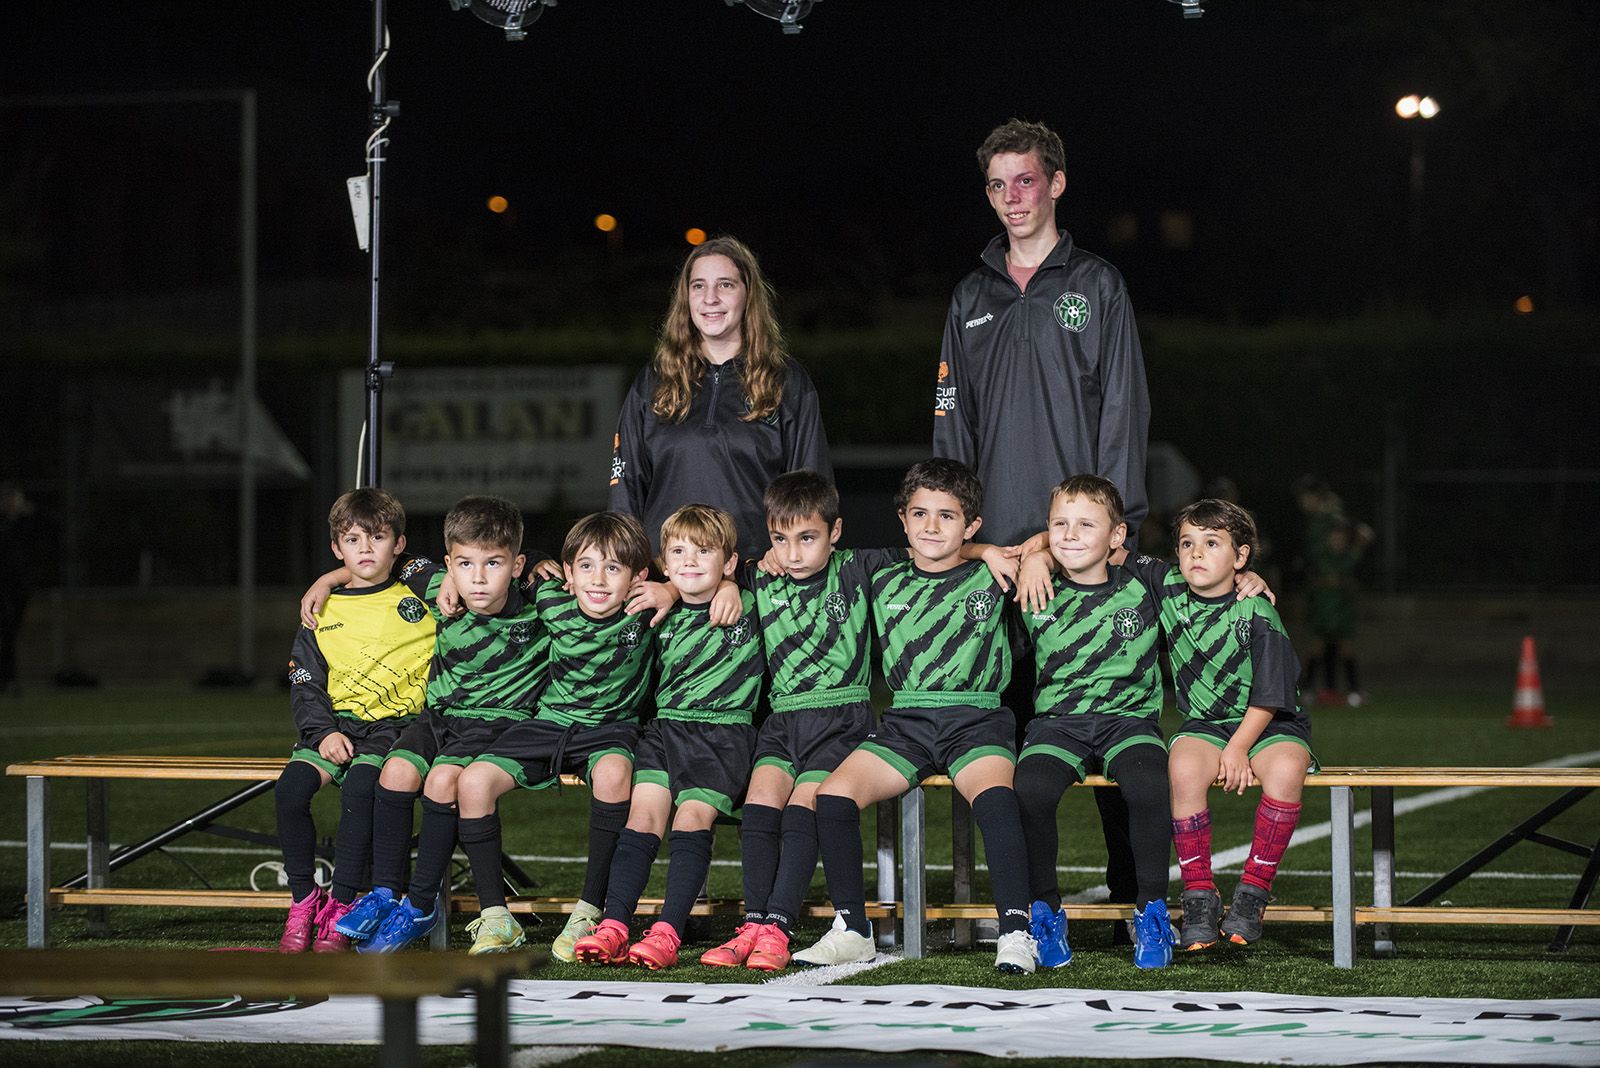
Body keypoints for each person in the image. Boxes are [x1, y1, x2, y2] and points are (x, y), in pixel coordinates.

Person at [932, 117, 1153, 941]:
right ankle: (1026, 912)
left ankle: (1138, 905)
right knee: (1013, 744)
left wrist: (1104, 530)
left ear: (1057, 183)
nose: (1011, 198)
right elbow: (951, 431)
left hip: (1082, 554)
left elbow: (1124, 411)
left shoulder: (1095, 284)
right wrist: (964, 542)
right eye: (997, 184)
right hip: (993, 565)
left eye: (1025, 180)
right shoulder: (971, 295)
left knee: (1119, 736)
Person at [796, 459, 1036, 975]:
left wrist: (998, 552)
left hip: (977, 718)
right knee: (833, 797)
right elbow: (797, 553)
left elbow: (1049, 544)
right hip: (906, 721)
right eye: (920, 514)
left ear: (971, 525)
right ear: (902, 520)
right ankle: (854, 930)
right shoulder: (877, 572)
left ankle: (1016, 930)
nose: (931, 526)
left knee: (995, 801)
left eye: (948, 517)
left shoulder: (993, 573)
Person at [697, 471, 897, 972]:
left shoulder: (860, 567)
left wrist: (989, 552)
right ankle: (754, 923)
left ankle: (779, 927)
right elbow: (698, 575)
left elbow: (935, 551)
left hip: (841, 717)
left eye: (807, 538)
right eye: (780, 539)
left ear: (835, 531)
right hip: (783, 720)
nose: (792, 553)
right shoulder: (758, 575)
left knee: (804, 805)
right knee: (761, 805)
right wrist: (726, 582)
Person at [336, 496, 550, 953]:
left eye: (493, 563)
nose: (477, 577)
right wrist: (327, 579)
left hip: (497, 722)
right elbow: (384, 559)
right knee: (394, 772)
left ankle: (420, 905)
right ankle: (383, 893)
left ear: (517, 565)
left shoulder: (538, 602)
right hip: (438, 718)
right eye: (465, 564)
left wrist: (546, 566)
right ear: (448, 564)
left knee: (441, 781)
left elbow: (591, 579)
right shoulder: (437, 584)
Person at [451, 511, 657, 957]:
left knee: (614, 773)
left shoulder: (649, 611)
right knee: (472, 781)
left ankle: (589, 910)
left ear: (638, 578)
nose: (597, 580)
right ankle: (496, 917)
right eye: (585, 566)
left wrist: (673, 588)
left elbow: (703, 578)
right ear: (567, 573)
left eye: (613, 568)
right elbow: (507, 566)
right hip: (549, 723)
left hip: (611, 727)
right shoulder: (549, 598)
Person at [573, 504, 764, 970]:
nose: (690, 560)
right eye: (677, 551)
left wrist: (733, 586)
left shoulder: (751, 602)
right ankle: (615, 924)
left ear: (730, 562)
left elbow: (781, 567)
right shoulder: (656, 608)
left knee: (691, 820)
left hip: (723, 735)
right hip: (664, 729)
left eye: (704, 551)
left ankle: (667, 931)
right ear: (662, 562)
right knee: (642, 820)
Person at [1125, 499, 1314, 951]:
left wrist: (1238, 750)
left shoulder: (1258, 612)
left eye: (1212, 544)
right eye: (1187, 543)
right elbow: (1110, 550)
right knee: (1183, 768)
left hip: (1269, 725)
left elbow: (1270, 698)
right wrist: (1036, 551)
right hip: (1205, 724)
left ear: (1241, 558)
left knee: (1287, 769)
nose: (1196, 553)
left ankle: (1253, 893)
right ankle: (1198, 896)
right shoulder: (1167, 584)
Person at [1011, 476, 1175, 970]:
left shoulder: (1147, 583)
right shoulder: (1031, 584)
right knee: (1032, 790)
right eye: (1059, 524)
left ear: (1117, 536)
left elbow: (1205, 575)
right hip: (1058, 724)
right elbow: (965, 556)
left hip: (1129, 721)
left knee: (1148, 786)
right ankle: (1047, 912)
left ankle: (1151, 912)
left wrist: (1247, 579)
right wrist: (1033, 556)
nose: (1071, 534)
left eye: (1087, 524)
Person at [274, 488, 439, 952]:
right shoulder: (321, 608)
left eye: (378, 537)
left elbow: (467, 565)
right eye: (352, 540)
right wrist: (322, 732)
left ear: (399, 545)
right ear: (336, 548)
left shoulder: (421, 593)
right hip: (333, 726)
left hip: (394, 728)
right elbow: (305, 680)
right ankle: (305, 899)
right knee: (289, 792)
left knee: (365, 787)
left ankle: (344, 900)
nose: (366, 549)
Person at [609, 236, 832, 564]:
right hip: (667, 582)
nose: (709, 298)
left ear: (748, 294)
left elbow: (812, 494)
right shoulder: (653, 382)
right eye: (698, 286)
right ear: (686, 298)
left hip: (757, 581)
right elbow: (625, 492)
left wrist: (784, 559)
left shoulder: (786, 382)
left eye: (725, 285)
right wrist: (629, 567)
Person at [0, 482, 34, 697]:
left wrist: (24, 512)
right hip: (3, 586)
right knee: (6, 632)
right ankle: (8, 679)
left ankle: (8, 679)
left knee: (9, 634)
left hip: (17, 588)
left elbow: (51, 526)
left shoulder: (25, 523)